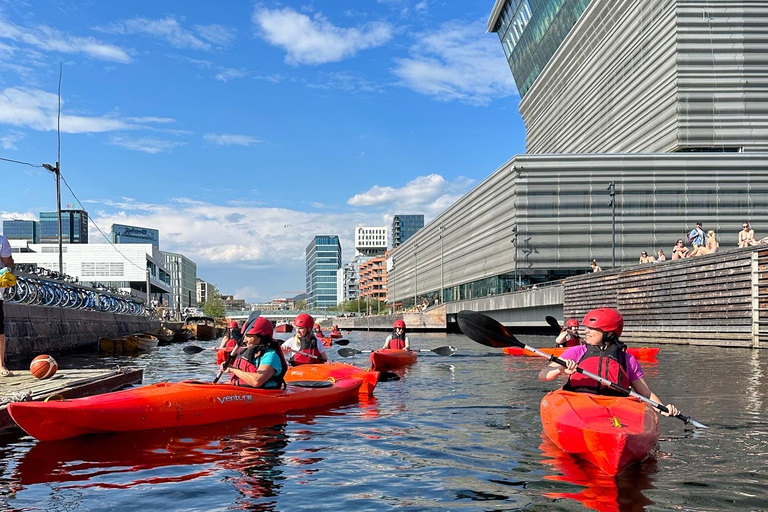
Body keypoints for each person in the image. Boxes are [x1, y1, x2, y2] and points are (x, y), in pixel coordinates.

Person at [538, 308, 679, 418]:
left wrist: (663, 409)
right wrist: (560, 368)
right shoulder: (576, 352)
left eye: (593, 328)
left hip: (616, 406)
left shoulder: (627, 359)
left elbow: (646, 394)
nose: (586, 331)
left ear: (610, 333)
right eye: (587, 327)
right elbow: (543, 376)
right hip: (578, 404)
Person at [224, 317, 287, 389]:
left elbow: (256, 381)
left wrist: (232, 369)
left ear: (262, 337)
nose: (245, 340)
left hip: (265, 395)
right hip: (244, 392)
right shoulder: (249, 353)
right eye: (245, 336)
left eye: (249, 337)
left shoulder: (270, 355)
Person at [0, 234, 15, 377]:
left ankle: (1, 365)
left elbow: (9, 263)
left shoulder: (1, 241)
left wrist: (7, 272)